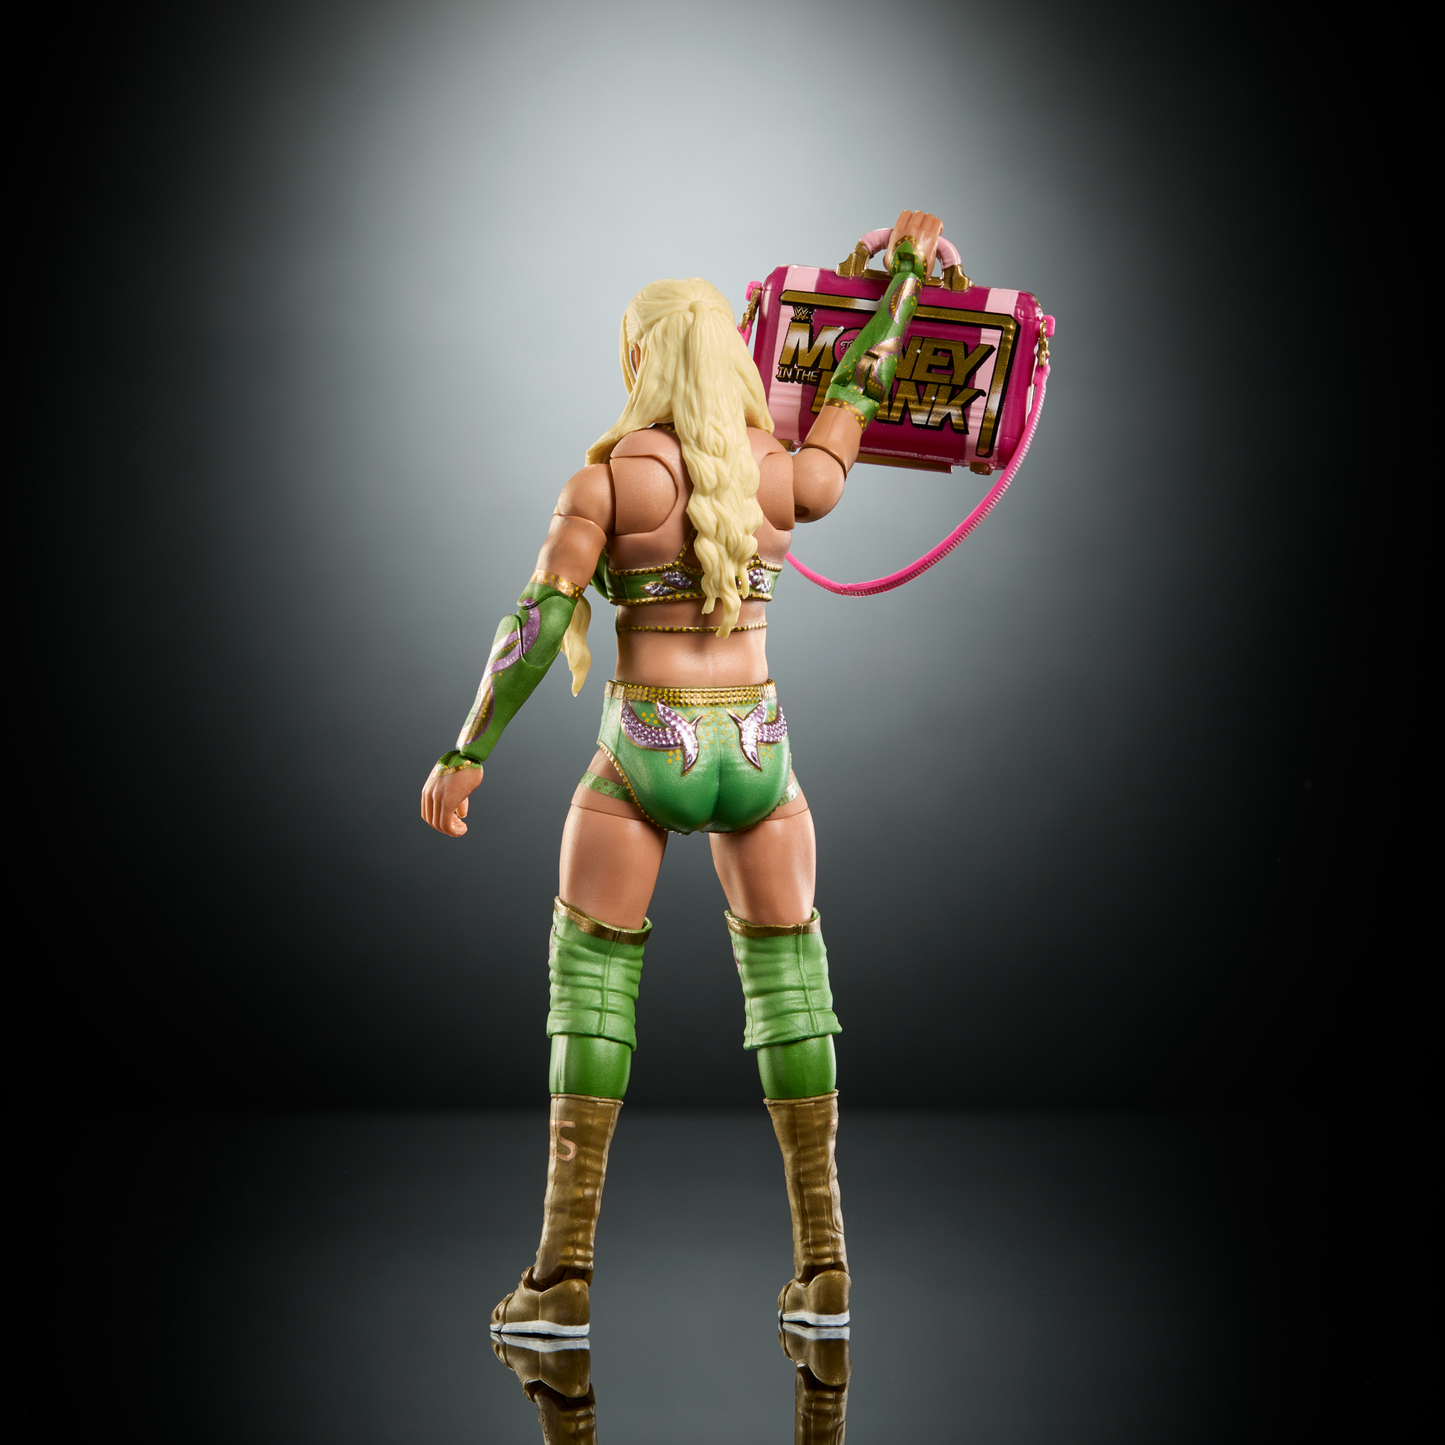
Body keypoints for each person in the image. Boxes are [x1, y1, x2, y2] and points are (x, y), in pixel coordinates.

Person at [421, 211, 946, 1338]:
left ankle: (561, 1280)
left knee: (591, 986)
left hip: (645, 746)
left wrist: (467, 749)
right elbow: (861, 379)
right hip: (759, 749)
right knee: (794, 985)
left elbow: (534, 623)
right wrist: (900, 279)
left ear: (641, 356)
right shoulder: (786, 475)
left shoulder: (608, 480)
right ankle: (826, 1268)